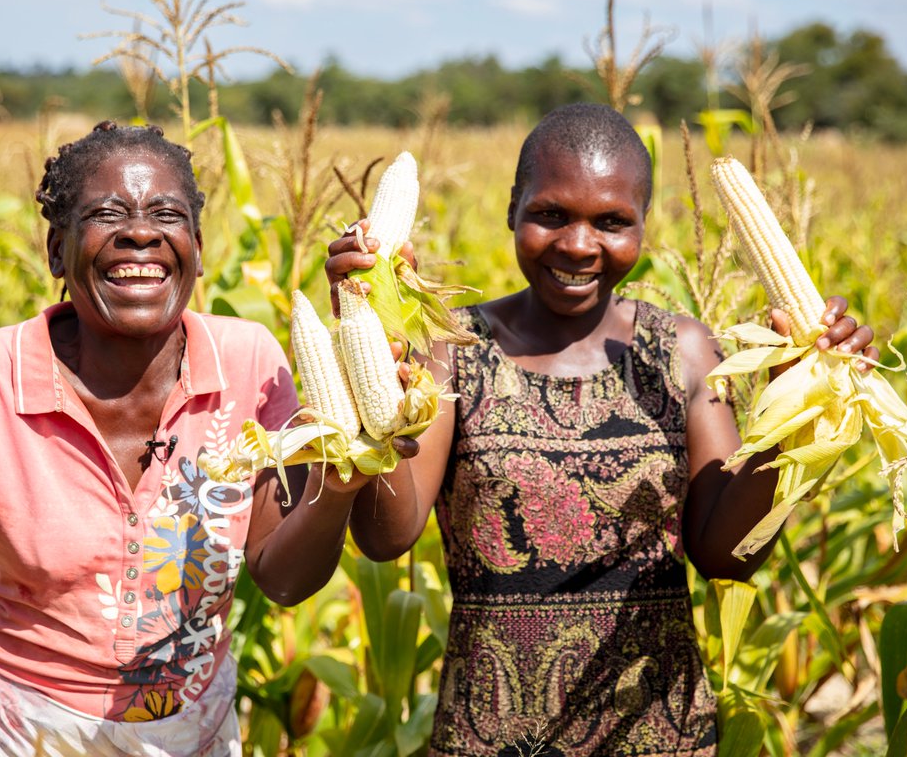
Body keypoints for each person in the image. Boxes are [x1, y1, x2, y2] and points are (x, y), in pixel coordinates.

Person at [0, 121, 380, 757]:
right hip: (16, 726)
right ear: (58, 251)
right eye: (107, 213)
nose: (140, 231)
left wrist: (337, 487)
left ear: (197, 245)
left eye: (167, 213)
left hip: (192, 734)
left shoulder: (248, 363)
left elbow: (284, 579)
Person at [325, 103, 878, 756]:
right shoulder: (453, 350)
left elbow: (728, 554)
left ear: (644, 225)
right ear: (513, 209)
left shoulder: (685, 351)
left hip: (658, 733)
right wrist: (364, 353)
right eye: (551, 215)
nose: (579, 245)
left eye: (612, 222)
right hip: (491, 736)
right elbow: (385, 538)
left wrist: (794, 411)